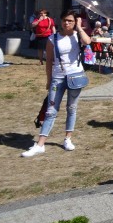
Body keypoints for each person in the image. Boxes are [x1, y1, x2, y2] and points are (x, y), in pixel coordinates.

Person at [22, 9, 91, 157]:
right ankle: (40, 144)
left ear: (75, 22)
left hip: (75, 76)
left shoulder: (78, 36)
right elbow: (49, 62)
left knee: (72, 108)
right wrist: (48, 80)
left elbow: (88, 41)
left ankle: (68, 138)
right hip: (58, 78)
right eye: (65, 20)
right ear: (60, 21)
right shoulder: (53, 38)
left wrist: (79, 27)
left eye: (70, 21)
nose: (67, 23)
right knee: (50, 111)